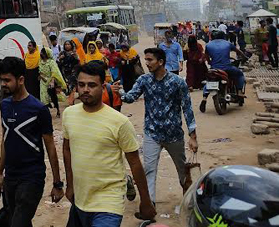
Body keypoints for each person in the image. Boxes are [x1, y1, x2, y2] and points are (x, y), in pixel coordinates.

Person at [62, 62, 156, 227]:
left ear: (103, 87)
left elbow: (134, 163)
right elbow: (67, 150)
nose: (85, 90)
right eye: (81, 84)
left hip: (108, 202)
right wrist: (69, 185)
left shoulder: (119, 122)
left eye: (92, 85)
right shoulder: (69, 114)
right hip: (80, 200)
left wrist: (146, 201)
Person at [119, 48, 198, 204]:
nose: (146, 63)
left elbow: (187, 108)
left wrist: (193, 136)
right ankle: (150, 205)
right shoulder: (144, 80)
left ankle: (189, 202)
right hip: (152, 133)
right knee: (149, 170)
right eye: (146, 59)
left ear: (160, 62)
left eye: (150, 60)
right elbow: (130, 97)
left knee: (183, 171)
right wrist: (120, 91)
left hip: (174, 135)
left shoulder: (178, 82)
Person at [0, 57, 64, 227]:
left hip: (32, 178)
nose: (3, 84)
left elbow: (50, 147)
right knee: (17, 221)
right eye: (1, 80)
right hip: (10, 177)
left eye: (7, 80)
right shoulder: (4, 105)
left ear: (21, 80)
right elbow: (5, 139)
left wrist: (57, 184)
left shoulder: (38, 109)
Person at [201, 30, 246, 113]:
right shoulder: (227, 43)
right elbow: (238, 51)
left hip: (214, 69)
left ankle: (204, 98)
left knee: (209, 81)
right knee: (240, 74)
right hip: (227, 67)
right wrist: (244, 56)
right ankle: (239, 91)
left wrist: (210, 62)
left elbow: (206, 57)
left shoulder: (208, 45)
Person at [39, 48, 66, 118]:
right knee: (43, 97)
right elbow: (40, 71)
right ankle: (46, 113)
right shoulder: (40, 61)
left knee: (53, 97)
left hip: (50, 81)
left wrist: (52, 82)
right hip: (43, 82)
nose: (41, 53)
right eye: (41, 52)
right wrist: (41, 76)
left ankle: (58, 111)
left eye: (43, 52)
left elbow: (54, 72)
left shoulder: (51, 62)